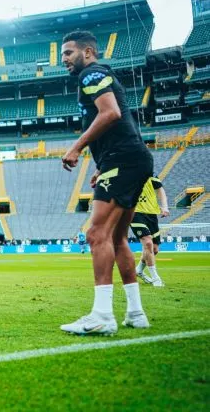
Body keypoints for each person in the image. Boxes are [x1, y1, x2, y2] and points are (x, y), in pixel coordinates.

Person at [59, 30, 151, 335]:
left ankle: (102, 315)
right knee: (118, 238)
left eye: (68, 53)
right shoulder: (101, 75)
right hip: (130, 159)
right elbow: (119, 120)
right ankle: (136, 313)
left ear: (87, 52)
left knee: (97, 233)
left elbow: (110, 113)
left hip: (123, 160)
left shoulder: (91, 74)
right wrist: (102, 164)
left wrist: (77, 147)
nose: (64, 60)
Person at [132, 175, 169, 287]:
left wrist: (165, 206)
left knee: (154, 249)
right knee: (147, 242)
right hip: (134, 212)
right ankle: (155, 278)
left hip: (152, 214)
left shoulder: (149, 172)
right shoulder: (125, 171)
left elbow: (160, 189)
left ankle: (138, 270)